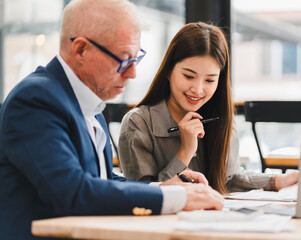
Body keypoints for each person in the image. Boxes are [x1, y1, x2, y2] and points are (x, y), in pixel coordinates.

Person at [0, 1, 223, 239]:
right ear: (81, 50)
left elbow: (103, 180)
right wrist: (179, 198)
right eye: (123, 60)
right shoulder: (36, 100)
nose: (132, 73)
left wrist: (164, 188)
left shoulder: (88, 101)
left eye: (135, 59)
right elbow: (73, 192)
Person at [119, 22, 298, 194]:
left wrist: (277, 181)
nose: (197, 89)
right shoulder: (138, 123)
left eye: (210, 80)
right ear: (168, 71)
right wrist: (185, 151)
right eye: (189, 76)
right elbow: (141, 195)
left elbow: (229, 180)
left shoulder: (221, 119)